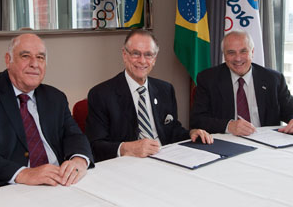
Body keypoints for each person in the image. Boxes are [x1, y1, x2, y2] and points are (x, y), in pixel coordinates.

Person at [0, 34, 94, 199]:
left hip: (56, 187)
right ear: (8, 60)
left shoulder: (55, 97)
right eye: (25, 56)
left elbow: (73, 135)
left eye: (40, 57)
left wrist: (79, 160)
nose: (34, 64)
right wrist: (24, 174)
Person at [85, 29, 213, 162]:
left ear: (155, 59)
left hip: (165, 159)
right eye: (135, 53)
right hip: (127, 164)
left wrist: (191, 133)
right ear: (124, 54)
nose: (142, 60)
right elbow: (94, 145)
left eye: (148, 55)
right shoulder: (101, 94)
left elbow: (172, 130)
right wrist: (126, 148)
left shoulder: (165, 89)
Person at [191, 30, 293, 136]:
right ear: (224, 55)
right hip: (227, 144)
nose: (238, 58)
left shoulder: (273, 79)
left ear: (252, 52)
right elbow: (197, 120)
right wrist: (229, 126)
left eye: (243, 51)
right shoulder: (208, 79)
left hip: (266, 145)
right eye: (231, 52)